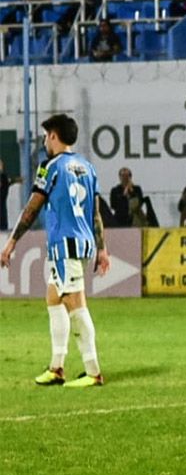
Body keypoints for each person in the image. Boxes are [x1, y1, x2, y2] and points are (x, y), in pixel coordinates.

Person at [0, 114, 108, 388]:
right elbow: (95, 213)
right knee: (54, 298)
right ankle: (56, 367)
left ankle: (93, 371)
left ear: (54, 136)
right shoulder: (88, 167)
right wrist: (102, 249)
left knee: (75, 302)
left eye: (46, 137)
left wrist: (12, 242)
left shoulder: (50, 167)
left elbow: (32, 207)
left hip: (66, 245)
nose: (45, 143)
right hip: (83, 243)